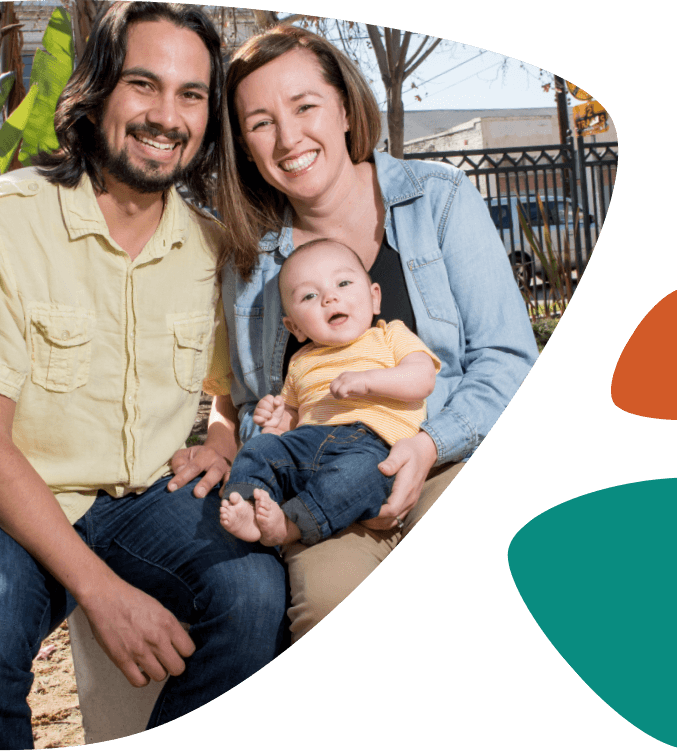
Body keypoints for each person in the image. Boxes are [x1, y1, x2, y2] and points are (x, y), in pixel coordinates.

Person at [0, 3, 287, 748]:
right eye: (143, 85)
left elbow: (227, 392)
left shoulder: (211, 248)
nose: (167, 116)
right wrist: (100, 589)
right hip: (15, 496)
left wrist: (219, 444)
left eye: (191, 95)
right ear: (95, 93)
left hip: (152, 496)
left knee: (253, 596)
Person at [214, 25, 540, 642]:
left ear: (343, 107)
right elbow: (257, 399)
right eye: (260, 123)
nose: (288, 139)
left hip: (445, 453)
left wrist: (427, 447)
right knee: (324, 605)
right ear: (245, 145)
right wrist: (275, 429)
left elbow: (507, 361)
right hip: (324, 484)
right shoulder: (252, 264)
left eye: (305, 106)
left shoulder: (438, 199)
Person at [219, 238, 441, 548]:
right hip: (307, 443)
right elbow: (293, 418)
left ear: (374, 297)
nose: (330, 298)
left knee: (354, 477)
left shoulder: (390, 335)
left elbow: (422, 379)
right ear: (294, 326)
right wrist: (276, 419)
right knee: (260, 448)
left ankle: (291, 526)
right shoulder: (300, 361)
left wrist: (368, 381)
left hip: (372, 447)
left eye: (344, 282)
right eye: (310, 295)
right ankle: (248, 503)